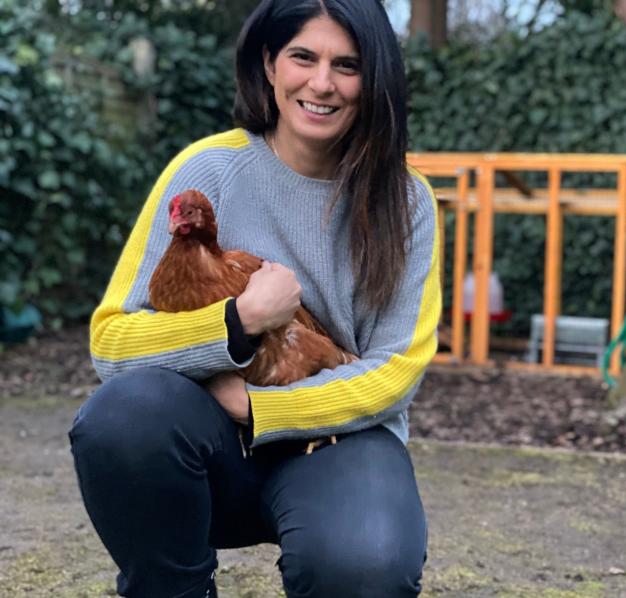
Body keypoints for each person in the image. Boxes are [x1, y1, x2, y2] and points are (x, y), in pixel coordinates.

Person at [69, 0, 439, 596]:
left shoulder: (407, 200)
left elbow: (397, 367)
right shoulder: (208, 169)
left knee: (366, 563)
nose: (322, 83)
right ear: (269, 64)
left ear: (374, 80)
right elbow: (112, 341)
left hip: (339, 437)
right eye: (302, 57)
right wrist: (237, 323)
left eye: (347, 64)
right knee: (123, 417)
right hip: (209, 446)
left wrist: (258, 408)